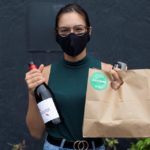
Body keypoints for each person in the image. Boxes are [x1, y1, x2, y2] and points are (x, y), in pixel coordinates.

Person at [25, 3, 123, 150]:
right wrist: (32, 95)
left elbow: (119, 122)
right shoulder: (44, 74)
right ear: (56, 34)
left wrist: (121, 90)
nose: (72, 35)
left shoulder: (107, 72)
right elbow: (35, 132)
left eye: (78, 29)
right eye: (64, 30)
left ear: (89, 31)